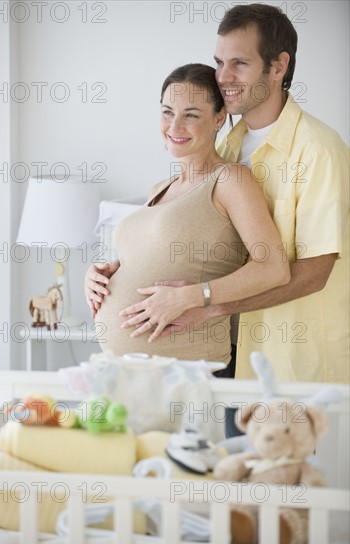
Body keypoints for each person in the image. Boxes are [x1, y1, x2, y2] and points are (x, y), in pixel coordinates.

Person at [123, 4, 349, 385]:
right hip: (228, 352)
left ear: (278, 67)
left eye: (239, 64)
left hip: (290, 362)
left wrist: (207, 303)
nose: (223, 77)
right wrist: (118, 272)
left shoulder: (318, 150)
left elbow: (313, 274)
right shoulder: (227, 145)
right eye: (219, 61)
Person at [84, 63, 290, 366]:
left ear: (219, 118)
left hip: (191, 373)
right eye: (168, 112)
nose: (175, 126)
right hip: (125, 373)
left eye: (191, 115)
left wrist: (192, 296)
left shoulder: (230, 180)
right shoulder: (160, 188)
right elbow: (153, 262)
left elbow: (274, 268)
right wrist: (98, 278)